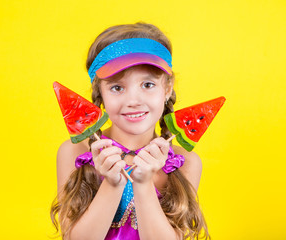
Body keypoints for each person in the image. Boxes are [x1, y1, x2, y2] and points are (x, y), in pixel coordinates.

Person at [51, 22, 210, 240]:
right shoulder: (74, 151)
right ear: (101, 94)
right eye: (117, 87)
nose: (133, 101)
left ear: (167, 88)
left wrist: (143, 183)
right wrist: (113, 183)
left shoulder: (185, 162)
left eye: (148, 85)